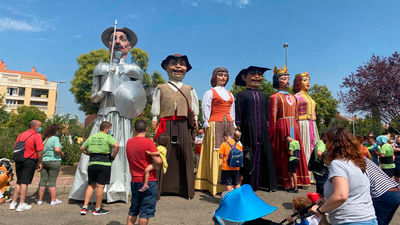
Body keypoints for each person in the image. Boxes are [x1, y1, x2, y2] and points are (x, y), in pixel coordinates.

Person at [70, 26, 145, 203]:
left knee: (122, 152)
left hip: (123, 117)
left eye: (122, 38)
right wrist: (104, 90)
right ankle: (93, 191)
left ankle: (120, 190)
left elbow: (138, 97)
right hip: (104, 116)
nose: (118, 41)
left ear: (129, 46)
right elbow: (94, 98)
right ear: (108, 44)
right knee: (98, 151)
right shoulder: (101, 68)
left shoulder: (135, 70)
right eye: (114, 38)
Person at [151, 54, 199, 199]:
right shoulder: (161, 87)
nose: (178, 66)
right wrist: (154, 118)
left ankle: (186, 190)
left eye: (182, 64)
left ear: (186, 69)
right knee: (164, 154)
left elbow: (195, 107)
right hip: (166, 124)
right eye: (173, 63)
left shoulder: (189, 89)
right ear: (166, 68)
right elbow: (156, 105)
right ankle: (161, 189)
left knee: (185, 154)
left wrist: (196, 119)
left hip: (183, 125)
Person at [311, 127, 377, 225]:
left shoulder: (337, 163)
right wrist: (326, 200)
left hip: (351, 220)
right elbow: (352, 191)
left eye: (326, 142)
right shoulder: (356, 161)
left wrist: (320, 210)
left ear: (333, 144)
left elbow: (341, 195)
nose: (325, 145)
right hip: (367, 218)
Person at [234, 66, 277, 191]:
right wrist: (238, 128)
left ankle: (265, 183)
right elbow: (238, 113)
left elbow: (267, 116)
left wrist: (268, 128)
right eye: (253, 74)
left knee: (264, 155)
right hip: (247, 130)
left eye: (259, 75)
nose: (257, 77)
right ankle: (247, 183)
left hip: (262, 130)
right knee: (248, 155)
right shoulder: (241, 95)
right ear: (244, 77)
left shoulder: (264, 96)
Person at [195, 67, 235, 196]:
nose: (223, 77)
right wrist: (206, 121)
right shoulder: (210, 92)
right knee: (216, 151)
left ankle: (227, 182)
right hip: (215, 123)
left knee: (229, 151)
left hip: (228, 123)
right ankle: (213, 183)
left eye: (225, 75)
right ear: (215, 77)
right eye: (220, 75)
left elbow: (232, 110)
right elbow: (205, 107)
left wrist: (233, 122)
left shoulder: (230, 94)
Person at [269, 66, 310, 188]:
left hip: (294, 126)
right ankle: (285, 181)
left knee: (296, 152)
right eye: (283, 78)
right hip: (282, 127)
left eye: (288, 78)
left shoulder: (293, 97)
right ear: (277, 80)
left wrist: (296, 126)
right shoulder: (275, 97)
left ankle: (299, 180)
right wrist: (273, 132)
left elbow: (296, 115)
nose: (287, 81)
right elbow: (273, 116)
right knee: (284, 153)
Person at [126, 119, 162, 225]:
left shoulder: (129, 142)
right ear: (146, 129)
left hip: (134, 180)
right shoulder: (148, 142)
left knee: (133, 210)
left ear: (134, 129)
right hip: (149, 181)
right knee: (145, 212)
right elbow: (158, 162)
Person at [80, 121, 119, 216]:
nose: (110, 130)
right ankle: (97, 209)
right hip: (104, 163)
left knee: (91, 185)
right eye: (109, 128)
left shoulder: (92, 137)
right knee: (100, 186)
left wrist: (88, 153)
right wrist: (113, 156)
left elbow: (82, 148)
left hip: (92, 163)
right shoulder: (108, 137)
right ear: (106, 129)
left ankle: (84, 208)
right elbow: (117, 146)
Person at [9, 120, 44, 212]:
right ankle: (21, 203)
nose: (40, 128)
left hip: (19, 159)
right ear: (35, 126)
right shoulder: (37, 136)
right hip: (29, 160)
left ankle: (13, 202)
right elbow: (40, 151)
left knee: (19, 181)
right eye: (40, 126)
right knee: (25, 182)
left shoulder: (21, 135)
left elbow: (15, 147)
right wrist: (40, 162)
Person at [293, 72, 320, 166]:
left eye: (308, 80)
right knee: (305, 146)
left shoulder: (309, 96)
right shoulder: (296, 97)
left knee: (314, 146)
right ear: (298, 82)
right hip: (303, 124)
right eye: (305, 80)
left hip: (312, 124)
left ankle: (313, 169)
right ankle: (305, 170)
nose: (308, 83)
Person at [365, 158, 399, 225]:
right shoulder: (364, 159)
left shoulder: (350, 163)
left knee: (377, 221)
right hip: (394, 190)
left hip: (383, 193)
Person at [37, 124, 64, 206]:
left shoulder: (45, 140)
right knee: (52, 181)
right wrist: (62, 154)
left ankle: (40, 200)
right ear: (54, 131)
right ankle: (53, 200)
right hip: (54, 161)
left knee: (43, 180)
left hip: (45, 161)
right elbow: (57, 149)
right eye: (57, 130)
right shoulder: (55, 138)